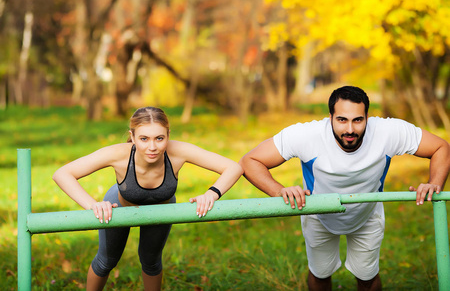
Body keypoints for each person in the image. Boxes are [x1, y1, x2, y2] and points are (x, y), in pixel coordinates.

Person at [239, 86, 450, 291]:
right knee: (320, 274)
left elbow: (441, 147)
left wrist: (435, 182)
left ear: (367, 117)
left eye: (358, 120)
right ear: (330, 117)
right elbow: (250, 160)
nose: (350, 129)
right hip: (317, 213)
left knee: (367, 278)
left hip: (367, 213)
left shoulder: (388, 131)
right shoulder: (306, 134)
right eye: (342, 120)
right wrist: (279, 191)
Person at [53, 107, 243, 291]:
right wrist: (93, 205)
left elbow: (233, 167)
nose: (152, 147)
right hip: (119, 207)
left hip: (161, 209)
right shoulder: (118, 154)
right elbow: (62, 174)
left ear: (168, 135)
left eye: (159, 138)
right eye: (144, 139)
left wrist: (211, 193)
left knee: (151, 261)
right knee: (106, 261)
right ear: (133, 137)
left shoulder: (179, 151)